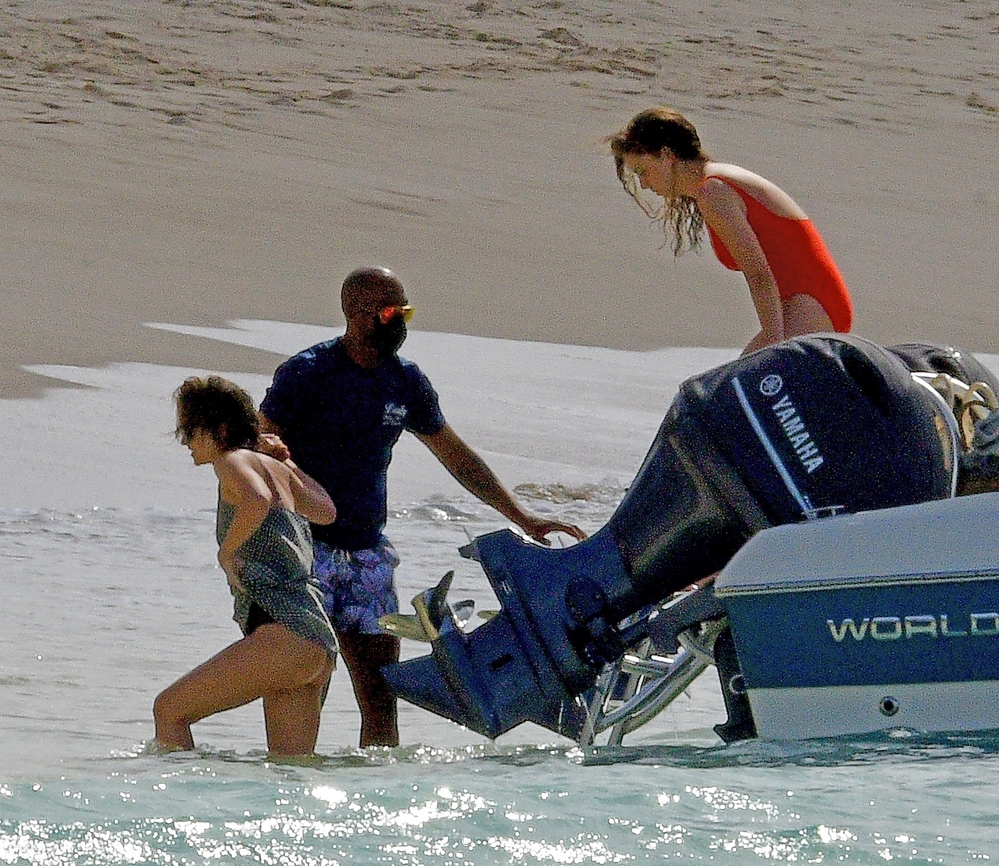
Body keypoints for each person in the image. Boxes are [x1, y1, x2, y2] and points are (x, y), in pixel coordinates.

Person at [259, 266, 587, 748]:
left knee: (380, 693)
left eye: (405, 311)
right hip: (306, 553)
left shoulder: (405, 381)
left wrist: (521, 517)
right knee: (307, 684)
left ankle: (378, 799)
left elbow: (456, 455)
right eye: (391, 312)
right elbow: (257, 443)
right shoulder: (307, 374)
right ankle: (294, 784)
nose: (401, 322)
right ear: (356, 314)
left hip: (367, 556)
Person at [153, 375, 338, 757]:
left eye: (189, 430)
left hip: (283, 633)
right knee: (290, 775)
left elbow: (256, 497)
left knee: (170, 711)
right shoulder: (276, 467)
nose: (185, 441)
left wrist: (227, 551)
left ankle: (175, 811)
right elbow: (326, 511)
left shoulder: (231, 459)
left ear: (219, 429)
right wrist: (287, 462)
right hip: (315, 642)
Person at [608, 106, 854, 354]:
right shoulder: (713, 183)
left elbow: (759, 274)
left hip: (813, 304)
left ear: (666, 155)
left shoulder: (713, 192)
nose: (643, 183)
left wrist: (772, 340)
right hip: (805, 306)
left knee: (741, 384)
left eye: (642, 171)